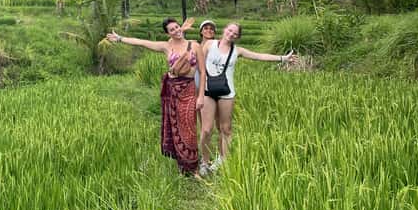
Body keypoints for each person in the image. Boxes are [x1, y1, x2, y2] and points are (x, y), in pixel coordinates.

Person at [107, 17, 206, 175]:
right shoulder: (166, 46)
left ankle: (193, 167)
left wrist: (200, 96)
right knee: (175, 126)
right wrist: (120, 38)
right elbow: (141, 42)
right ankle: (181, 165)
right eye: (172, 29)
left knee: (189, 127)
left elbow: (202, 71)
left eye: (177, 27)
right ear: (168, 33)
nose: (176, 30)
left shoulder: (194, 45)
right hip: (172, 90)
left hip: (188, 89)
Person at [198, 22, 296, 175]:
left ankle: (223, 160)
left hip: (227, 93)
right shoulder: (210, 44)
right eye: (230, 30)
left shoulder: (237, 51)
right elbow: (200, 68)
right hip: (207, 91)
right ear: (225, 29)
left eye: (235, 33)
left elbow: (259, 56)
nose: (231, 34)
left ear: (237, 37)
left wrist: (283, 58)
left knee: (226, 129)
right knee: (206, 129)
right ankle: (204, 162)